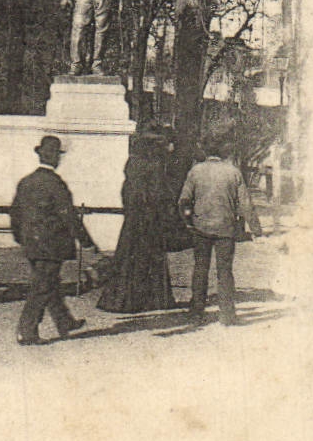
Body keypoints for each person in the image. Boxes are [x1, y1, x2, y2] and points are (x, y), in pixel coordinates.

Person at [10, 135, 100, 345]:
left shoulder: (26, 181)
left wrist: (21, 237)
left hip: (31, 243)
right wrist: (86, 241)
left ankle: (64, 321)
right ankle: (26, 330)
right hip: (51, 244)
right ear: (55, 158)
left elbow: (15, 212)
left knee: (50, 283)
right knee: (42, 287)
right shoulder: (55, 184)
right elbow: (68, 215)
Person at [96, 124, 180, 313]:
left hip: (133, 219)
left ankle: (122, 300)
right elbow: (158, 195)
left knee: (128, 259)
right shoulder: (155, 165)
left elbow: (126, 192)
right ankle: (152, 300)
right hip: (149, 220)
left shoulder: (133, 163)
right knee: (150, 259)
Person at [178, 141, 261, 326]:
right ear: (224, 153)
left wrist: (188, 222)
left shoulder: (195, 171)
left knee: (200, 268)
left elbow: (184, 200)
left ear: (206, 152)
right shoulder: (233, 172)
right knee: (225, 271)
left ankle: (197, 312)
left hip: (201, 227)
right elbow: (246, 204)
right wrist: (256, 229)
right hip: (226, 228)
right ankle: (227, 315)